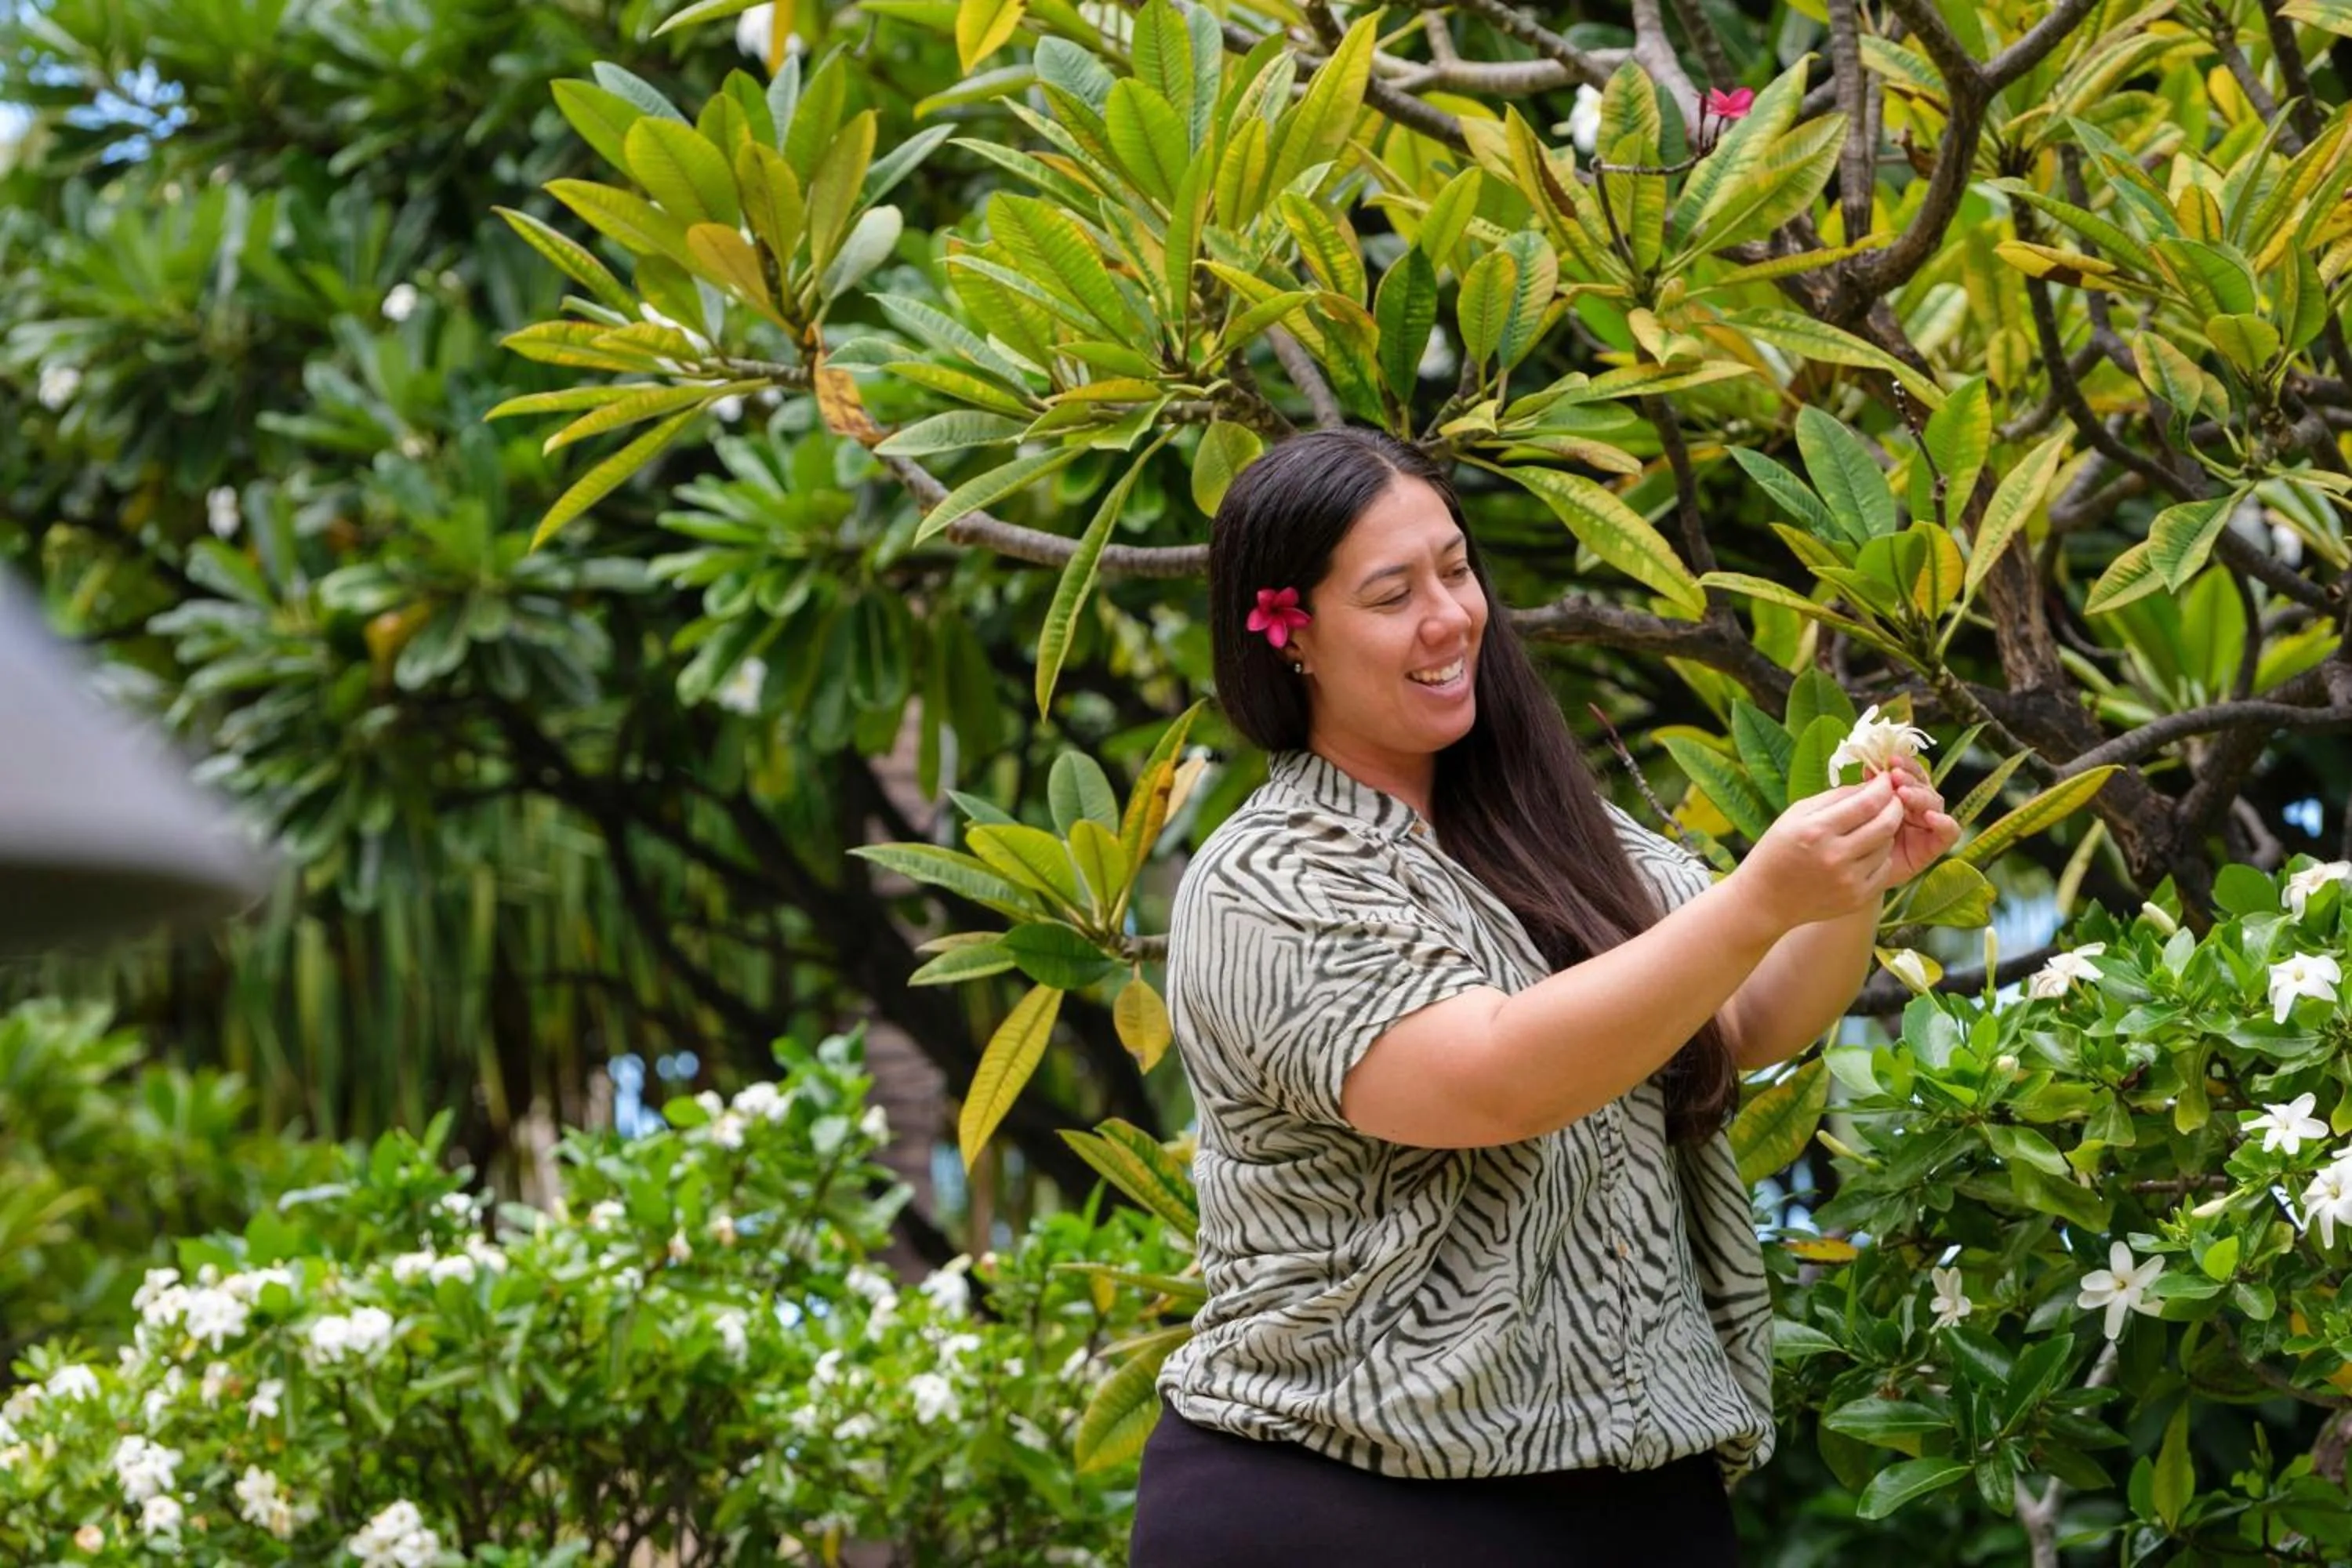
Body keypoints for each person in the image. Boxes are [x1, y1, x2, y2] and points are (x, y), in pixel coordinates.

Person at [1128, 428, 1959, 1566]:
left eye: (1457, 570)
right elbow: (1495, 1082)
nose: (1449, 617)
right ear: (1293, 637)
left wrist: (1851, 884)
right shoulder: (1267, 879)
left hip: (1633, 1493)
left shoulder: (1545, 821)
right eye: (1391, 593)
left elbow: (1744, 1014)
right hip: (1344, 1501)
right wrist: (1762, 897)